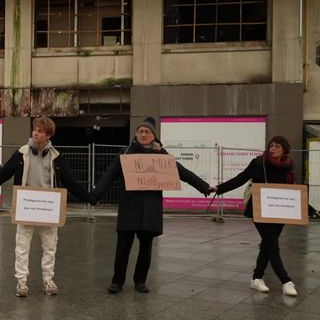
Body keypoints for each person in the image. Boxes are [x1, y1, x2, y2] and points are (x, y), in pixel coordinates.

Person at [0, 116, 90, 297]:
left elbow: (70, 182)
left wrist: (90, 197)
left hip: (48, 210)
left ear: (48, 135)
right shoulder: (22, 153)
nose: (35, 133)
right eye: (34, 129)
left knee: (50, 246)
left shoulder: (56, 157)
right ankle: (21, 282)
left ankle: (48, 280)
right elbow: (2, 175)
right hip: (26, 207)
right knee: (22, 245)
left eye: (40, 131)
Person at [89, 117, 210, 294]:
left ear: (154, 136)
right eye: (140, 131)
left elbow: (182, 172)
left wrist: (204, 187)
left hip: (149, 210)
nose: (143, 134)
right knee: (123, 247)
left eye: (147, 132)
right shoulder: (125, 154)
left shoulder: (162, 156)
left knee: (146, 249)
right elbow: (109, 174)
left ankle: (140, 281)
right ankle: (117, 281)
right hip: (129, 208)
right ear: (136, 135)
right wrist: (95, 196)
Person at [212, 136, 298, 296]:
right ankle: (286, 281)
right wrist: (219, 188)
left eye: (277, 146)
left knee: (267, 245)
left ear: (284, 149)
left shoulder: (289, 166)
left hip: (280, 211)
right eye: (271, 145)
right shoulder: (259, 163)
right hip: (260, 209)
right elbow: (240, 178)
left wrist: (311, 209)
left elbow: (294, 190)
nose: (272, 148)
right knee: (272, 245)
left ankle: (256, 278)